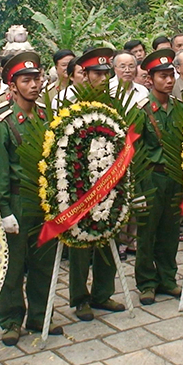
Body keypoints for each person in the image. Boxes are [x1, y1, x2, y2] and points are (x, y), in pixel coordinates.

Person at [0, 52, 63, 346]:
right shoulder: (3, 124)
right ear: (13, 85)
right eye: (26, 80)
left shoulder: (48, 117)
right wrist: (4, 210)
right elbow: (0, 173)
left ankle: (39, 314)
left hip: (44, 201)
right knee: (14, 267)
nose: (34, 85)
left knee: (43, 263)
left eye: (37, 78)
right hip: (18, 203)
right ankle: (10, 321)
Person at [65, 48, 125, 321]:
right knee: (80, 244)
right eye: (96, 73)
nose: (102, 78)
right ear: (85, 76)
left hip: (110, 181)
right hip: (79, 184)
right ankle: (80, 298)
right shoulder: (70, 106)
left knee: (107, 234)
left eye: (105, 73)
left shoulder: (114, 104)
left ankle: (103, 293)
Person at [136, 49, 183, 305]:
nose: (169, 81)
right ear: (149, 79)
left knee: (170, 231)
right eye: (163, 76)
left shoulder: (179, 108)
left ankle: (168, 277)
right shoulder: (142, 110)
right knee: (148, 233)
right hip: (151, 179)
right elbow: (133, 151)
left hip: (174, 178)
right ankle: (146, 282)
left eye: (171, 76)